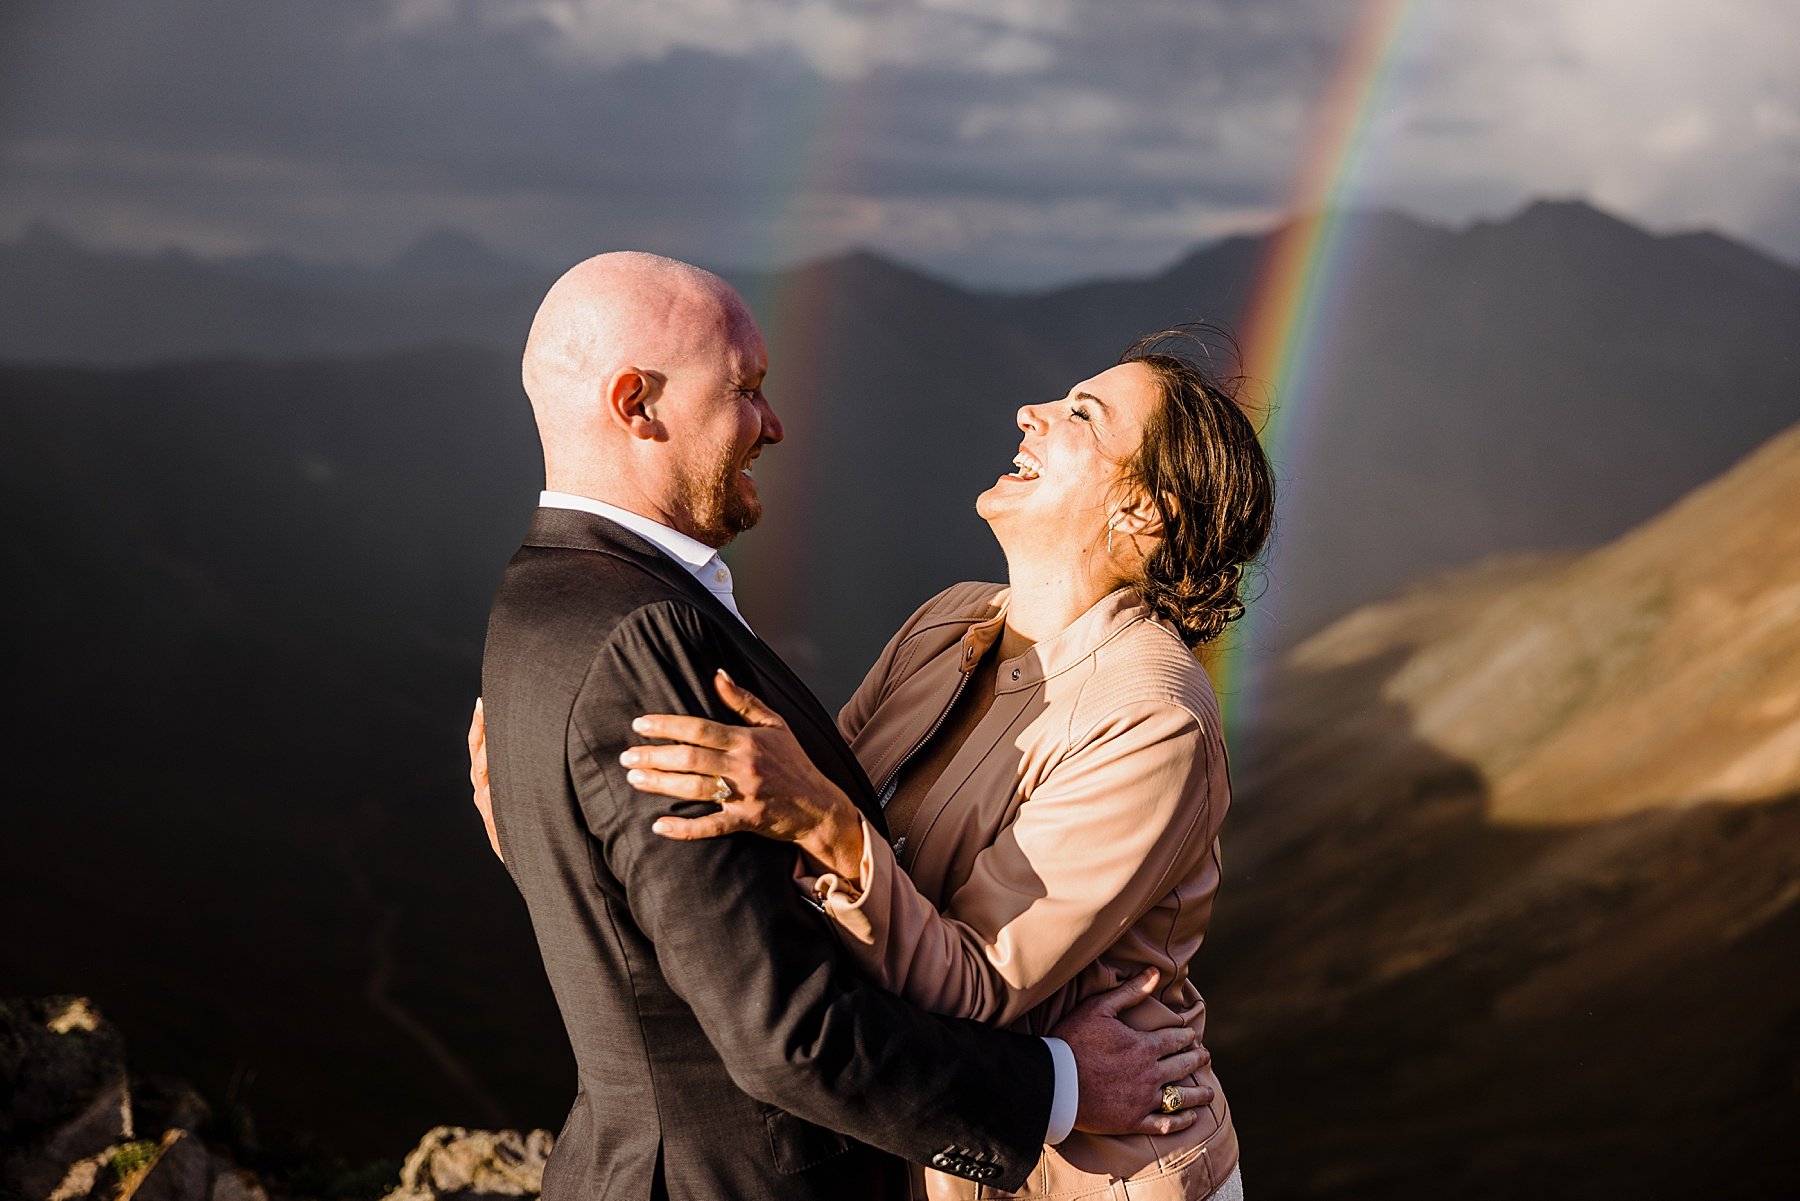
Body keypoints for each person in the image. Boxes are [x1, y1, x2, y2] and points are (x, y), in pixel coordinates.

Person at [474, 252, 1214, 1201]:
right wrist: (1064, 1086)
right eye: (746, 389)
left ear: (1143, 508)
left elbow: (801, 834)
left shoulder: (537, 598)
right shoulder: (656, 630)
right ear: (636, 403)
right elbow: (785, 1026)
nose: (775, 424)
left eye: (1081, 413)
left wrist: (563, 836)